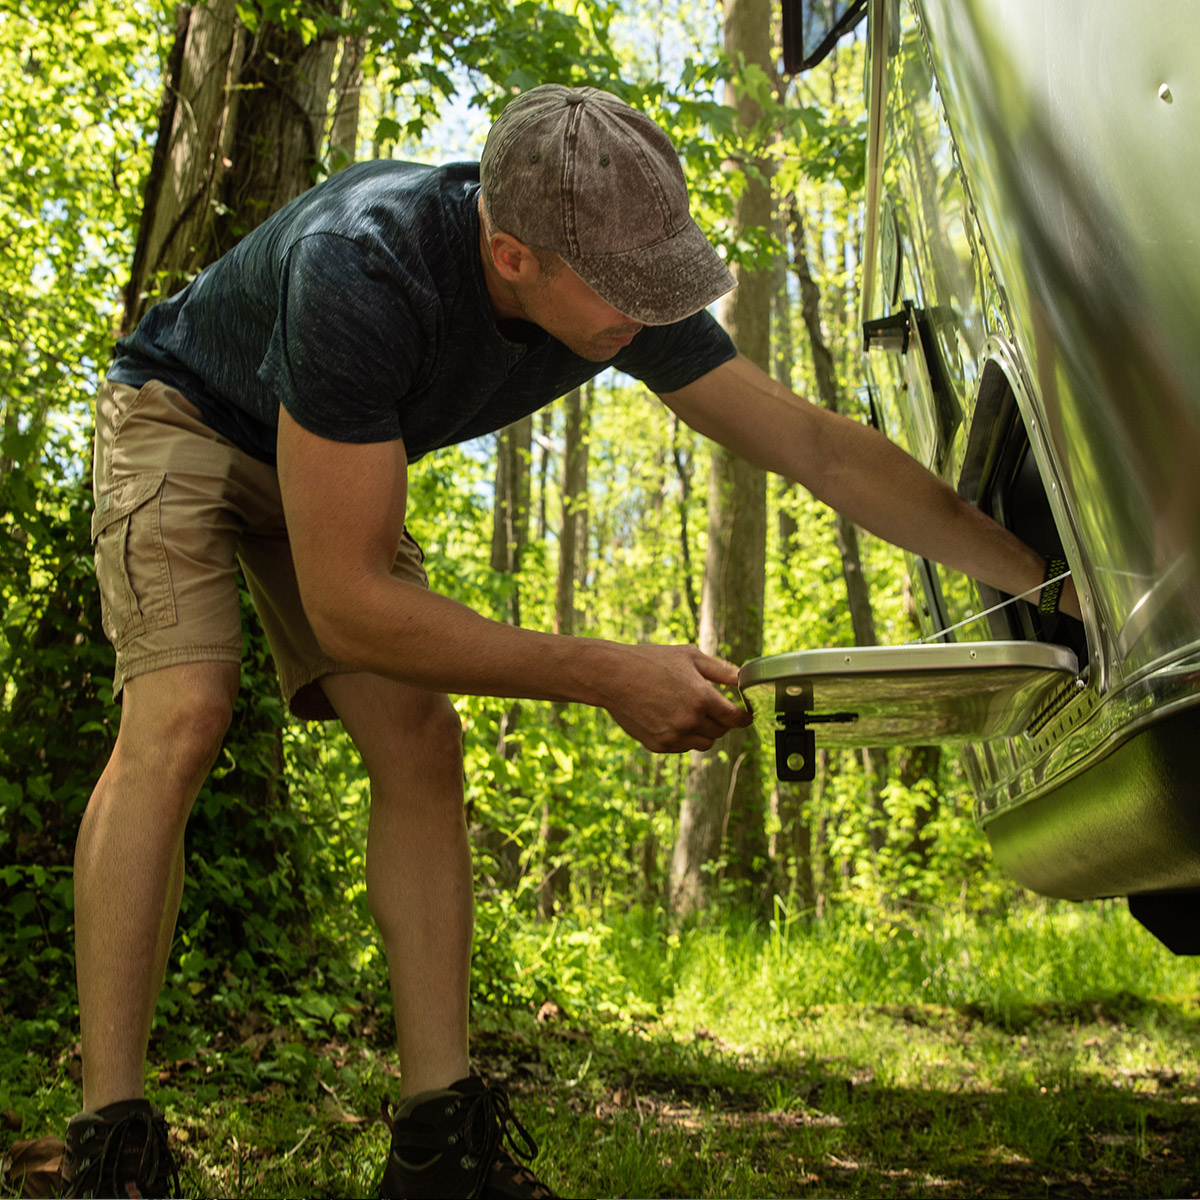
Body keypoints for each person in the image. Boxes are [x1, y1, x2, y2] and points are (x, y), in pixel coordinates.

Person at [63, 84, 1077, 1199]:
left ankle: (439, 1148)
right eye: (628, 296)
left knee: (418, 742)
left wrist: (1044, 580)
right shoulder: (364, 267)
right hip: (188, 418)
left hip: (339, 455)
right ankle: (111, 1140)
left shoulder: (617, 276)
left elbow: (817, 449)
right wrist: (605, 674)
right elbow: (349, 604)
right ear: (511, 255)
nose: (651, 313)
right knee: (184, 714)